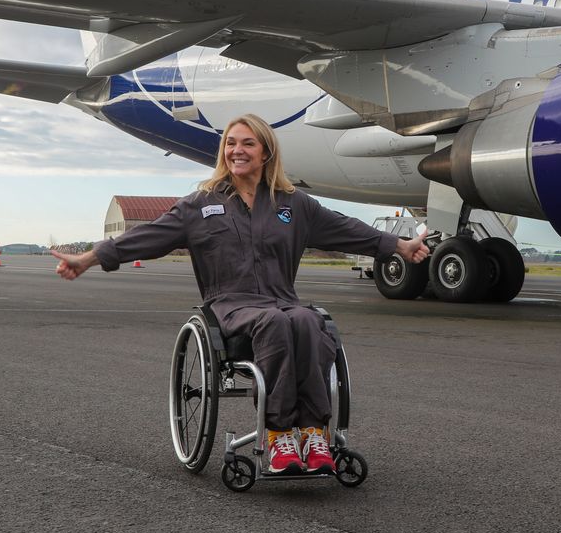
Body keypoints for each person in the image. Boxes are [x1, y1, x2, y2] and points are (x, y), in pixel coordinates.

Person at [51, 113, 429, 475]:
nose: (237, 150)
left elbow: (346, 229)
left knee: (308, 320)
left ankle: (314, 434)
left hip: (282, 300)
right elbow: (146, 236)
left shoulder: (293, 204)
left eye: (248, 143)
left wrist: (399, 245)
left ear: (266, 151)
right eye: (231, 143)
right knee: (278, 322)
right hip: (230, 307)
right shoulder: (200, 205)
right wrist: (89, 258)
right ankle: (280, 435)